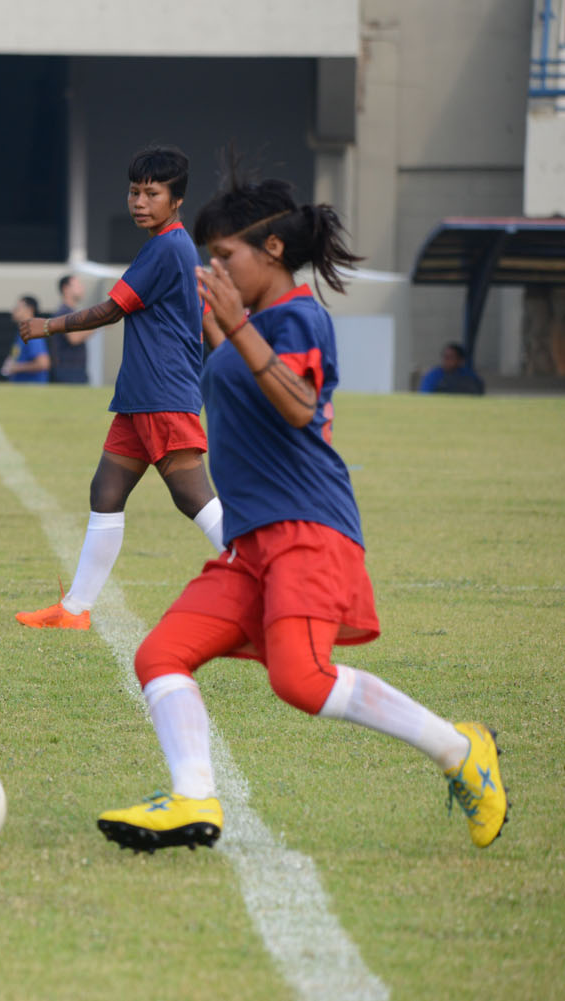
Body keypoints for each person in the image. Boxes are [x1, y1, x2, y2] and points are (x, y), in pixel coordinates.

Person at [95, 171, 508, 854]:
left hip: (308, 531)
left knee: (300, 677)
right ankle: (194, 797)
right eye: (210, 257)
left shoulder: (298, 317)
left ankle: (460, 748)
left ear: (275, 250)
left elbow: (299, 405)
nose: (214, 268)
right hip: (251, 541)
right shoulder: (251, 324)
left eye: (226, 255)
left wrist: (232, 329)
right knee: (160, 653)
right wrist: (217, 331)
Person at [15, 146, 224, 631]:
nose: (139, 201)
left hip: (162, 395)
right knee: (106, 491)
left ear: (176, 201)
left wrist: (48, 326)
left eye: (152, 193)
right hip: (140, 396)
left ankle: (267, 584)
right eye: (134, 191)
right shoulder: (170, 247)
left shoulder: (168, 246)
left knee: (194, 498)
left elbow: (111, 309)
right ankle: (73, 610)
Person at [0, 295, 50, 382]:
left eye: (17, 307)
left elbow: (43, 363)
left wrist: (15, 367)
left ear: (29, 309)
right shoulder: (22, 333)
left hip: (32, 389)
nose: (14, 311)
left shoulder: (32, 333)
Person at [49, 273, 89, 383]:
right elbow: (74, 338)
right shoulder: (64, 313)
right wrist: (99, 323)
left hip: (74, 370)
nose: (82, 288)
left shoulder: (71, 312)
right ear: (66, 288)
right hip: (68, 370)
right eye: (77, 285)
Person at [418, 341, 485, 395]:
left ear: (460, 360)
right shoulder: (434, 375)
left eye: (451, 357)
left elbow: (479, 392)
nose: (446, 360)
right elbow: (425, 394)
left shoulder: (469, 376)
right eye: (445, 357)